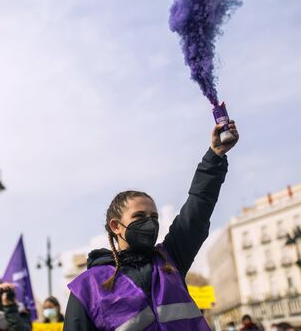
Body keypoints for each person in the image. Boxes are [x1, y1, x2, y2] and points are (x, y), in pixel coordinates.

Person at [63, 122, 238, 331]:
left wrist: (215, 155)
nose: (150, 222)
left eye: (154, 216)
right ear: (115, 226)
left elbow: (198, 206)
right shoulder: (88, 286)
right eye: (139, 216)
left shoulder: (170, 259)